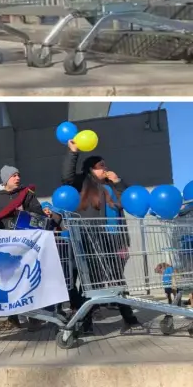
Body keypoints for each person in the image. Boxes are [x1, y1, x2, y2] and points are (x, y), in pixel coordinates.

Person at [64, 139, 144, 334]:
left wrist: (118, 181)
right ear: (91, 169)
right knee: (92, 281)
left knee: (117, 278)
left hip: (113, 238)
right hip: (92, 237)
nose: (105, 169)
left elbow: (126, 201)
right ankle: (87, 320)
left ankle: (129, 317)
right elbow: (66, 178)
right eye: (101, 166)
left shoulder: (111, 186)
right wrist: (73, 152)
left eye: (105, 166)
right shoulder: (84, 182)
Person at [0, 165, 45, 331]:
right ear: (6, 180)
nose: (17, 178)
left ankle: (34, 317)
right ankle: (13, 318)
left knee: (27, 279)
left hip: (26, 246)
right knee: (8, 281)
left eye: (18, 175)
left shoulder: (27, 195)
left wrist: (24, 212)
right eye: (13, 176)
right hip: (7, 248)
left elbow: (40, 216)